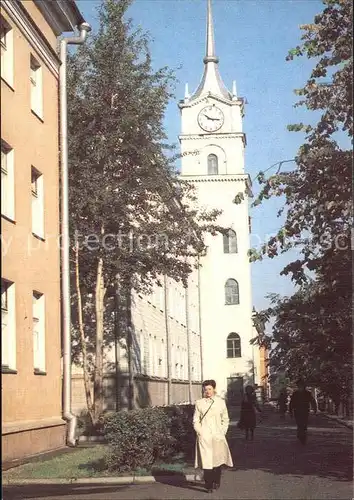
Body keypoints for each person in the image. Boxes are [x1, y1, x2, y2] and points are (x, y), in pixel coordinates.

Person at [193, 380, 233, 493]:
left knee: (217, 460)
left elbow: (225, 419)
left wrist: (222, 432)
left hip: (217, 435)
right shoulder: (199, 403)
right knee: (206, 461)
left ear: (214, 389)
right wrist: (200, 432)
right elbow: (196, 420)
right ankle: (208, 485)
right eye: (205, 389)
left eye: (210, 389)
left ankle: (216, 481)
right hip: (204, 436)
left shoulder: (220, 402)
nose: (208, 391)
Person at [289, 379, 317, 444]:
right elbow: (291, 403)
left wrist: (315, 410)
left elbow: (313, 401)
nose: (300, 387)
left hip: (305, 411)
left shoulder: (307, 393)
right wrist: (290, 411)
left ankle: (303, 435)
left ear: (303, 386)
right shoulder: (295, 394)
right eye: (299, 386)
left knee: (304, 424)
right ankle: (300, 434)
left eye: (301, 385)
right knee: (299, 424)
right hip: (297, 411)